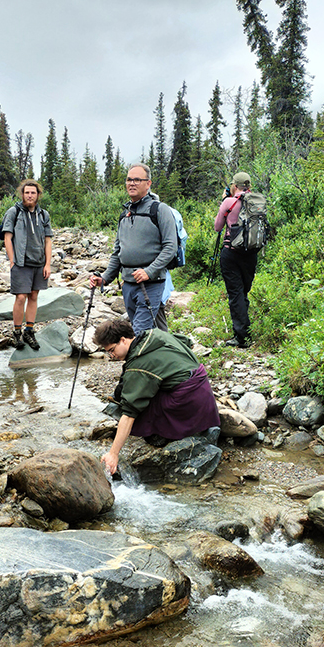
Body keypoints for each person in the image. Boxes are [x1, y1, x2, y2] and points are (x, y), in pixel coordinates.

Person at [93, 318, 220, 475]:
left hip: (188, 404)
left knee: (133, 404)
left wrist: (113, 454)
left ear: (123, 340)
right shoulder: (154, 334)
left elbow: (130, 413)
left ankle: (165, 434)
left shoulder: (140, 365)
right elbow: (186, 342)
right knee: (134, 390)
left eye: (111, 350)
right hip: (204, 395)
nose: (111, 355)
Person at [89, 163, 177, 334]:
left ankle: (145, 358)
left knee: (140, 332)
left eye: (137, 180)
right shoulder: (124, 214)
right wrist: (106, 278)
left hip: (151, 283)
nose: (132, 183)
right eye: (129, 179)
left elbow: (170, 246)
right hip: (128, 284)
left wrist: (149, 271)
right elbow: (118, 252)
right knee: (157, 331)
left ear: (148, 183)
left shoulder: (160, 210)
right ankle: (171, 356)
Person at [1, 180, 53, 350]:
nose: (30, 195)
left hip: (38, 263)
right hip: (21, 263)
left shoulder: (43, 214)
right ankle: (17, 333)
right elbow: (7, 237)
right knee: (20, 297)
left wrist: (48, 264)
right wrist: (12, 260)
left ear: (38, 195)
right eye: (27, 192)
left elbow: (48, 240)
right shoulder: (14, 212)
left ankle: (29, 331)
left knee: (34, 296)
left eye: (33, 193)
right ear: (22, 194)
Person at [214, 171, 257, 348]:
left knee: (235, 293)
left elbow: (218, 227)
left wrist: (225, 201)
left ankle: (242, 337)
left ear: (234, 186)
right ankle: (245, 329)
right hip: (251, 252)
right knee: (243, 291)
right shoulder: (257, 202)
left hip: (231, 252)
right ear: (249, 186)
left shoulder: (229, 202)